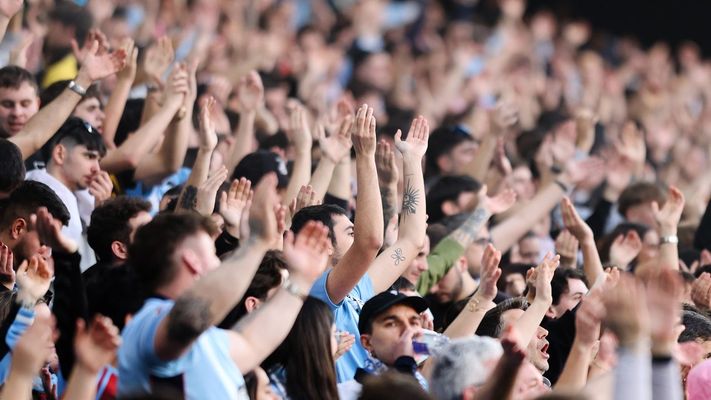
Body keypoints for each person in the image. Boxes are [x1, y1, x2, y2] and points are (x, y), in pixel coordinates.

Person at [118, 174, 331, 398]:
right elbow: (189, 318)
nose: (219, 261)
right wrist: (255, 244)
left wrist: (300, 279)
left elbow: (252, 343)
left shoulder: (207, 338)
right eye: (211, 252)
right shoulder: (147, 322)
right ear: (191, 261)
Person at [25, 116, 110, 270]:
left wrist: (102, 211)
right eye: (89, 156)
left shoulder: (34, 178)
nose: (96, 169)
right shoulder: (58, 202)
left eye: (99, 160)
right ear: (60, 153)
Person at [261, 297, 340, 400]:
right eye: (334, 334)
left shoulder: (311, 382)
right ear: (317, 340)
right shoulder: (273, 392)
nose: (337, 343)